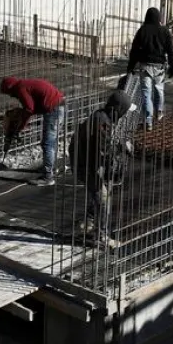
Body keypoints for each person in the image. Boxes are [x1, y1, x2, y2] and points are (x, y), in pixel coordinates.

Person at [72, 88, 140, 241]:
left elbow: (105, 145)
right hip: (86, 165)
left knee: (98, 193)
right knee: (103, 200)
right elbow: (105, 151)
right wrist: (120, 152)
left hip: (88, 162)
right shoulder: (102, 123)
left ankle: (88, 222)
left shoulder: (103, 117)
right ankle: (101, 236)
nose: (126, 114)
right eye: (125, 110)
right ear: (119, 109)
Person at [0, 76, 66, 185]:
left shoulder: (20, 88)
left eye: (9, 93)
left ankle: (48, 177)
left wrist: (21, 126)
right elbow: (32, 108)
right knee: (50, 142)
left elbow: (29, 109)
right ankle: (49, 168)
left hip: (54, 109)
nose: (11, 96)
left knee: (47, 143)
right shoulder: (24, 85)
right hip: (57, 106)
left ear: (10, 88)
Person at [127, 6, 173, 129]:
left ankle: (148, 121)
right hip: (160, 67)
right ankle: (159, 112)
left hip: (145, 66)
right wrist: (172, 66)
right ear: (159, 17)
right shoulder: (164, 31)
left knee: (146, 94)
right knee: (159, 89)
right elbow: (171, 50)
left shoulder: (142, 31)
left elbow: (134, 51)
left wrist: (131, 66)